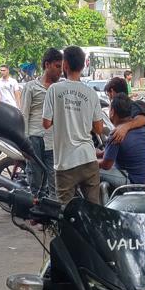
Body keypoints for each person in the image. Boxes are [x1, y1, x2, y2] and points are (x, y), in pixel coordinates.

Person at [42, 45, 104, 204]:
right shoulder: (91, 93)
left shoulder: (54, 90)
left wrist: (63, 116)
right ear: (83, 66)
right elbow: (98, 128)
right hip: (88, 160)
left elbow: (46, 123)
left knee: (65, 213)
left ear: (65, 65)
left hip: (65, 163)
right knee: (93, 212)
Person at [21, 48, 62, 197]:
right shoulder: (31, 87)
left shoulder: (60, 89)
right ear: (47, 65)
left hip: (53, 141)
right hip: (34, 139)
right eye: (57, 67)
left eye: (62, 67)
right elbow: (24, 115)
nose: (60, 71)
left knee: (54, 179)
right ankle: (36, 213)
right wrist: (23, 143)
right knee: (36, 180)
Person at [98, 94, 145, 187]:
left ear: (112, 112)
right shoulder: (141, 129)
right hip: (142, 180)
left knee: (89, 169)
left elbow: (106, 165)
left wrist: (88, 162)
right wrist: (97, 154)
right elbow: (123, 152)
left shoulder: (116, 133)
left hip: (130, 181)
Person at [105, 76, 145, 145]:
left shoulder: (131, 106)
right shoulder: (136, 105)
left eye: (108, 95)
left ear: (112, 92)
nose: (109, 99)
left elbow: (144, 119)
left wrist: (125, 127)